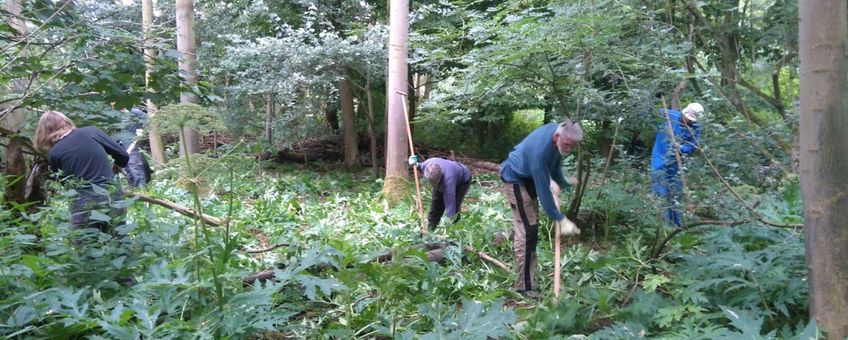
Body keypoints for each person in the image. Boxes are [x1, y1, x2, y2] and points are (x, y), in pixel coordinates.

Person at [499, 120, 583, 298]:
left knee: (530, 224)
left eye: (573, 146)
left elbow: (554, 165)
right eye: (567, 145)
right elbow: (543, 191)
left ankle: (518, 240)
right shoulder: (540, 152)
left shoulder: (558, 139)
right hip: (515, 178)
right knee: (529, 231)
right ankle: (524, 286)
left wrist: (562, 181)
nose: (569, 149)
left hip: (527, 176)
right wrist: (559, 218)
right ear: (558, 136)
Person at [35, 111, 129, 238]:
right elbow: (123, 155)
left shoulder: (54, 154)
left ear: (44, 132)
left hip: (82, 203)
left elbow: (67, 184)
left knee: (87, 248)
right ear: (67, 122)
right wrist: (117, 165)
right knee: (119, 240)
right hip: (110, 195)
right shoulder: (91, 132)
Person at [650, 102, 703, 228]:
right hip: (660, 160)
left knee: (675, 194)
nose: (689, 122)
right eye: (687, 118)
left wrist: (681, 148)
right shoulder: (668, 115)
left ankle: (676, 226)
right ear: (684, 113)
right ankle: (663, 227)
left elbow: (693, 146)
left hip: (677, 165)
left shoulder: (696, 128)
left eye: (691, 120)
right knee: (661, 193)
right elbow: (651, 113)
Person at [408, 156, 472, 230]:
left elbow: (450, 206)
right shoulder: (427, 166)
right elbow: (417, 164)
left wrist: (449, 226)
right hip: (446, 175)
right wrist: (413, 161)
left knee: (455, 209)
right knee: (435, 205)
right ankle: (430, 230)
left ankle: (454, 229)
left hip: (462, 180)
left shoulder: (448, 182)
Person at [112, 107, 152, 187]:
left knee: (134, 164)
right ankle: (133, 186)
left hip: (132, 142)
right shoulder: (114, 115)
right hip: (122, 144)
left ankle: (141, 188)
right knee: (126, 166)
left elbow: (147, 120)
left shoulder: (134, 112)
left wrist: (142, 129)